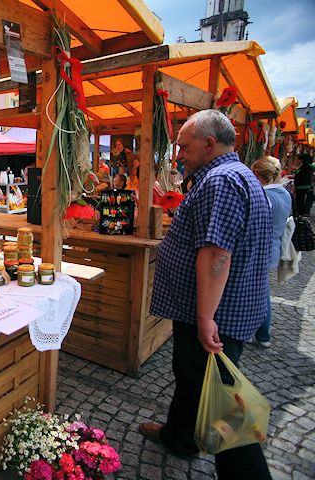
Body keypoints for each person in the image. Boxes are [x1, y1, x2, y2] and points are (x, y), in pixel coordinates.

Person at [141, 110, 272, 479]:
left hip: (218, 315)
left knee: (221, 402)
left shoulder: (222, 181)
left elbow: (216, 254)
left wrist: (204, 317)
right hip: (219, 310)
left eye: (183, 146)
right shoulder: (233, 176)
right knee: (191, 376)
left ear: (208, 144)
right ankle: (179, 436)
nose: (179, 154)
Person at [251, 156, 291, 348]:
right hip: (273, 248)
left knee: (259, 292)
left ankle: (262, 334)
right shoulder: (284, 194)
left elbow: (256, 225)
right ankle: (262, 333)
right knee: (262, 290)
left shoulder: (264, 196)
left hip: (261, 250)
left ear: (257, 174)